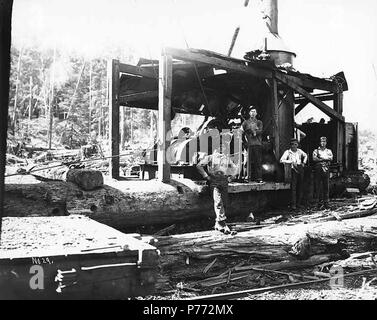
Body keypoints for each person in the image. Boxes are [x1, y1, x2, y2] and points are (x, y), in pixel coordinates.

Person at [196, 144, 238, 234]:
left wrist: (232, 177)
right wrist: (206, 176)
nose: (222, 150)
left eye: (224, 148)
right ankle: (222, 223)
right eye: (220, 148)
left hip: (224, 180)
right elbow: (199, 166)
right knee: (218, 201)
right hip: (214, 181)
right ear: (216, 148)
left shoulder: (226, 158)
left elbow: (235, 168)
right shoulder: (210, 158)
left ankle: (217, 224)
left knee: (224, 202)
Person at [280, 138, 308, 210]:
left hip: (300, 168)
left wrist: (304, 162)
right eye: (292, 144)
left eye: (295, 144)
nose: (294, 146)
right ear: (290, 145)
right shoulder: (287, 152)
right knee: (294, 188)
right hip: (293, 170)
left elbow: (305, 155)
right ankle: (293, 205)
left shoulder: (299, 151)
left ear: (297, 145)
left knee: (300, 187)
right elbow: (281, 160)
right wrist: (290, 161)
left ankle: (298, 204)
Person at [241, 106, 263, 183]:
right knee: (246, 162)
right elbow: (240, 132)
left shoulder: (259, 122)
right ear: (249, 113)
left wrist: (254, 132)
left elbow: (260, 131)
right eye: (251, 111)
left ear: (256, 113)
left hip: (257, 144)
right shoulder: (245, 122)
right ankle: (246, 178)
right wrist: (243, 141)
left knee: (258, 161)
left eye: (254, 111)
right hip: (248, 145)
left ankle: (259, 178)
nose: (253, 113)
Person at [312, 136, 333, 209]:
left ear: (326, 142)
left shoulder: (328, 151)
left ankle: (326, 203)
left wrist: (321, 158)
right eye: (321, 141)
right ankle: (317, 203)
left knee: (326, 186)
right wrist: (324, 159)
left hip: (326, 169)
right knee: (317, 186)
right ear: (319, 142)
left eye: (324, 141)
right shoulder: (316, 151)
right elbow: (314, 159)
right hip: (318, 169)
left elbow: (330, 158)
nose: (323, 143)